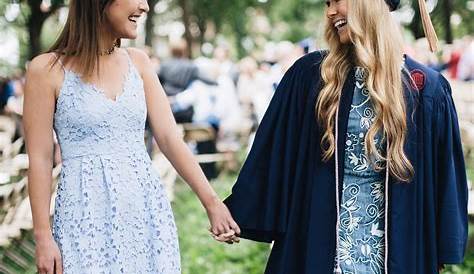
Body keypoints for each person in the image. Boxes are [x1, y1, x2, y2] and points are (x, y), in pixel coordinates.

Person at [222, 0, 468, 273]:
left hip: (399, 255)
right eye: (327, 3)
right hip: (317, 251)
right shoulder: (313, 77)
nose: (330, 11)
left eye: (338, 0)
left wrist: (440, 249)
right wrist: (234, 213)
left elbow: (444, 179)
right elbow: (271, 157)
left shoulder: (424, 87)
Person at [23, 1, 239, 274]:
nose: (145, 6)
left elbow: (170, 138)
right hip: (83, 217)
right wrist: (43, 237)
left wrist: (212, 202)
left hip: (145, 212)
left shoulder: (139, 62)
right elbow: (40, 160)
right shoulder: (45, 70)